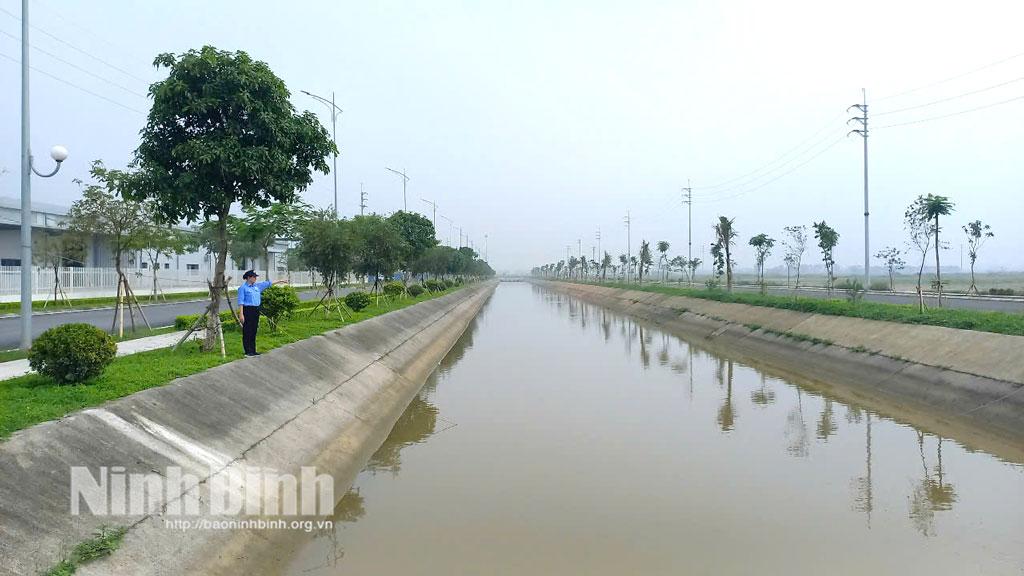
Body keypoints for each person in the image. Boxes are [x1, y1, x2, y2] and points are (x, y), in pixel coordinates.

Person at [237, 270, 288, 357]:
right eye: (254, 277)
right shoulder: (243, 288)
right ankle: (247, 351)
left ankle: (253, 350)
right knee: (247, 331)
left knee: (254, 330)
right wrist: (241, 314)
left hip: (256, 310)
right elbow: (241, 302)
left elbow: (268, 283)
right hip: (247, 310)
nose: (255, 278)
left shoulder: (257, 286)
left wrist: (280, 281)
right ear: (249, 278)